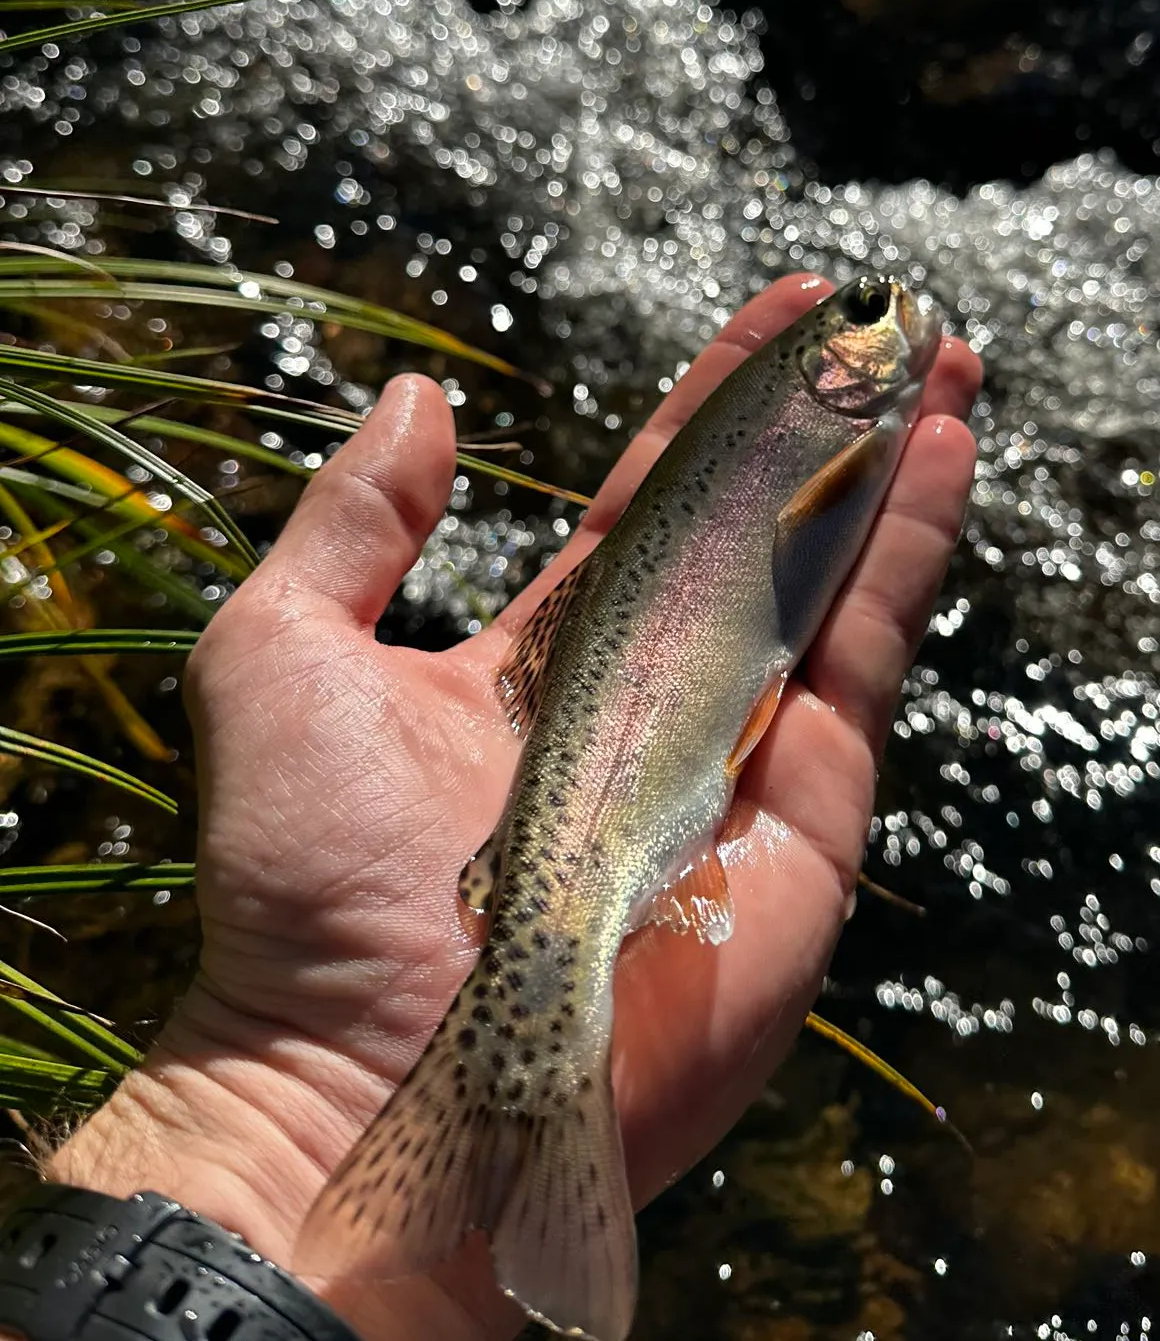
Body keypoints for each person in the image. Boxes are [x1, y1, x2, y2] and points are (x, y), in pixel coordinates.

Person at [10, 273, 981, 1341]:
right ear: (829, 369)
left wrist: (263, 1132)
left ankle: (402, 1223)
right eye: (864, 313)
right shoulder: (838, 420)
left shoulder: (838, 418)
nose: (883, 318)